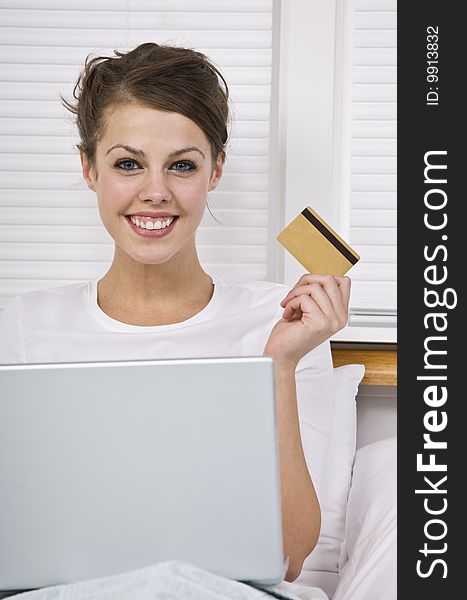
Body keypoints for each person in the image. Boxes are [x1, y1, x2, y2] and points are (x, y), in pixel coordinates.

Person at [0, 42, 350, 583]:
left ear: (215, 171)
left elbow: (290, 555)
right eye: (128, 164)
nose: (156, 192)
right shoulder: (22, 325)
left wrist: (277, 367)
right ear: (89, 168)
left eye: (182, 165)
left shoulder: (284, 323)